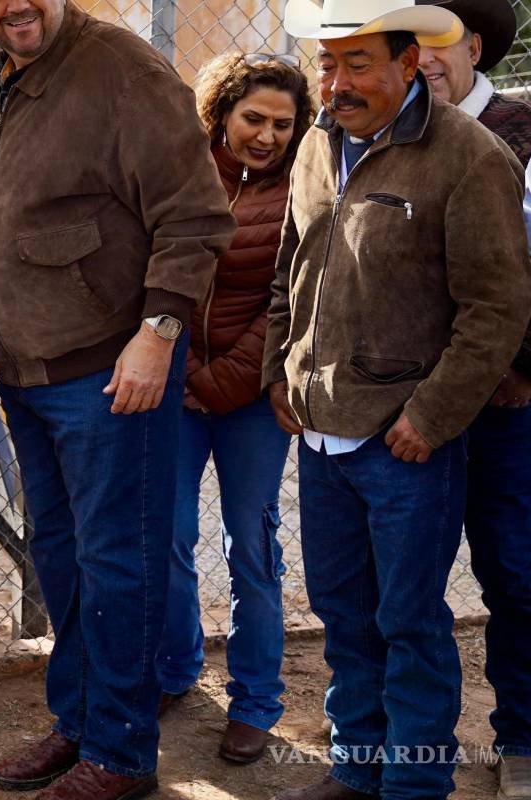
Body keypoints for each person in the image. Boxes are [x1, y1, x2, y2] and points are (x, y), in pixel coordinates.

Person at [0, 1, 236, 797]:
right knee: (64, 557)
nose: (16, 4)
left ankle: (122, 752)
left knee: (118, 561)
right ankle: (77, 724)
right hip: (24, 371)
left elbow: (194, 215)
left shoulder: (122, 68)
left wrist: (160, 329)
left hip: (112, 367)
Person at [265, 0, 531, 798]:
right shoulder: (316, 142)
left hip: (406, 443)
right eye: (325, 62)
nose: (335, 82)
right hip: (321, 435)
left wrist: (431, 417)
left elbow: (497, 310)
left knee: (409, 624)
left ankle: (415, 785)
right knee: (343, 615)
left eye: (356, 64)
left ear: (409, 63)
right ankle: (358, 766)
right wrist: (284, 367)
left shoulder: (468, 156)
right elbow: (291, 264)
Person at [156, 50, 313, 765]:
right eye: (254, 117)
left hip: (252, 396)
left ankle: (255, 701)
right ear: (221, 112)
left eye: (284, 123)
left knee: (251, 544)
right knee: (168, 535)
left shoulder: (304, 189)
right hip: (174, 384)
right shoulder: (181, 173)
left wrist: (228, 379)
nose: (268, 135)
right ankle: (176, 668)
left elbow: (290, 300)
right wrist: (184, 365)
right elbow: (156, 273)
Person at [418, 4, 531, 796]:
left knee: (517, 572)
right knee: (401, 580)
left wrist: (522, 366)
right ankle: (401, 739)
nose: (419, 59)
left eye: (435, 41)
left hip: (506, 402)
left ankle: (523, 740)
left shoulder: (522, 131)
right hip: (403, 403)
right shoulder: (380, 132)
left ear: (475, 45)